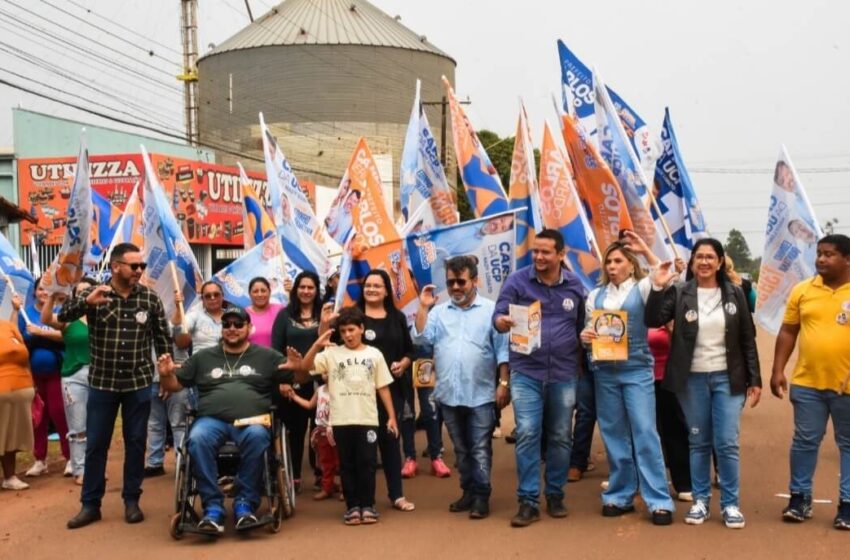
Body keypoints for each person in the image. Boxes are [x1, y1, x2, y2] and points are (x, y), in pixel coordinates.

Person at [156, 306, 313, 534]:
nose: (232, 329)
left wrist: (300, 369)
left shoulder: (266, 356)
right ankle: (213, 509)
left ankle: (245, 503)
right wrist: (164, 374)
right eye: (227, 324)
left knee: (259, 436)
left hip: (252, 420)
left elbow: (299, 377)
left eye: (238, 324)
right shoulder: (203, 357)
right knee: (197, 439)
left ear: (249, 327)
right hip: (211, 420)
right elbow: (173, 385)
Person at [647, 237, 761, 529]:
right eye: (699, 257)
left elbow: (747, 339)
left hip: (728, 378)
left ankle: (730, 504)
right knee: (698, 441)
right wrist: (658, 287)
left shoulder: (735, 293)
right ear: (693, 261)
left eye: (711, 257)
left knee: (726, 443)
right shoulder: (679, 291)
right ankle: (700, 502)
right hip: (692, 379)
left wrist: (755, 379)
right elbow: (653, 318)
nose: (705, 262)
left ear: (720, 262)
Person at [59, 243, 172, 529]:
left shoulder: (149, 298)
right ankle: (90, 505)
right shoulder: (96, 294)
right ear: (116, 266)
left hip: (138, 382)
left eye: (142, 267)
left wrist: (166, 368)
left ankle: (132, 500)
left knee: (136, 443)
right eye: (134, 266)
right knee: (97, 444)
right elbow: (62, 317)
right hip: (102, 383)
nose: (139, 271)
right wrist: (86, 302)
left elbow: (162, 338)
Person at [493, 229, 586, 527]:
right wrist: (503, 322)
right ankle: (528, 501)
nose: (539, 257)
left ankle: (556, 494)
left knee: (560, 436)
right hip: (526, 372)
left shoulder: (575, 286)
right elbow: (497, 316)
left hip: (564, 373)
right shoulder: (517, 281)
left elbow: (584, 326)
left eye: (546, 252)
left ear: (561, 254)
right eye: (535, 251)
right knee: (528, 433)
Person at [580, 236, 675, 526]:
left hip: (636, 370)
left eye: (618, 260)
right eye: (608, 261)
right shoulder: (594, 296)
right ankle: (620, 494)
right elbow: (588, 334)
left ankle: (658, 500)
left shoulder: (643, 289)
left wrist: (645, 248)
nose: (612, 265)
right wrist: (585, 339)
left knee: (645, 431)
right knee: (613, 433)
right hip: (605, 372)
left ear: (631, 265)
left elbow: (663, 270)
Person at [414, 255, 510, 520]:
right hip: (448, 394)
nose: (455, 287)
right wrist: (423, 307)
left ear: (475, 280)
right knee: (460, 449)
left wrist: (503, 384)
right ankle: (467, 491)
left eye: (461, 282)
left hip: (480, 394)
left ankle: (481, 496)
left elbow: (503, 351)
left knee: (479, 446)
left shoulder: (492, 310)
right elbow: (421, 338)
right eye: (450, 283)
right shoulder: (439, 312)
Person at [770, 233, 850, 530]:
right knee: (804, 441)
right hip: (808, 383)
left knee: (849, 444)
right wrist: (778, 369)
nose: (820, 259)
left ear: (847, 259)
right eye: (819, 253)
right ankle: (799, 498)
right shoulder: (803, 290)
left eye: (829, 254)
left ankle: (847, 505)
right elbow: (789, 331)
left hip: (847, 389)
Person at [300, 306, 399, 526]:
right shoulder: (331, 354)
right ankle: (352, 506)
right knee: (347, 464)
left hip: (368, 419)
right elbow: (305, 367)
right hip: (341, 420)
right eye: (343, 331)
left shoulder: (374, 354)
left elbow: (383, 387)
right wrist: (317, 344)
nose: (348, 335)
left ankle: (368, 505)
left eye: (352, 329)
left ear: (362, 329)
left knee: (367, 462)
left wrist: (391, 417)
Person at [356, 269, 415, 512]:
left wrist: (403, 363)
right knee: (363, 447)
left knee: (391, 442)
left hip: (393, 391)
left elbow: (410, 351)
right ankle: (361, 499)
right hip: (359, 392)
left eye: (377, 286)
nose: (371, 289)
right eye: (368, 285)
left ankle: (397, 495)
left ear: (386, 290)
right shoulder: (353, 317)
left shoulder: (397, 317)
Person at [40, 277, 96, 485]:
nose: (84, 294)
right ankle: (80, 469)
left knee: (97, 426)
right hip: (74, 376)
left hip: (100, 376)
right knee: (78, 424)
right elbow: (46, 319)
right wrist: (52, 297)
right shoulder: (69, 317)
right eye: (79, 292)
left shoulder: (102, 316)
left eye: (87, 290)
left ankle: (96, 468)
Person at [272, 271, 323, 493]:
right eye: (302, 287)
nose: (306, 291)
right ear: (296, 289)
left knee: (320, 429)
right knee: (296, 429)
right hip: (293, 382)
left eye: (310, 287)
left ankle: (322, 474)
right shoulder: (284, 316)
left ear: (316, 290)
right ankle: (294, 477)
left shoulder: (324, 314)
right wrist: (283, 381)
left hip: (321, 379)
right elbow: (276, 350)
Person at [19, 276, 69, 478]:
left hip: (57, 371)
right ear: (34, 292)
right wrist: (16, 312)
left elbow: (65, 337)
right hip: (34, 374)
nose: (43, 292)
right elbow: (20, 338)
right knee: (38, 417)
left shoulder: (59, 312)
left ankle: (70, 458)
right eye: (40, 289)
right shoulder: (26, 313)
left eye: (46, 289)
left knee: (60, 414)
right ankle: (39, 459)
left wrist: (40, 333)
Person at [649, 324, 692, 502]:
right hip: (636, 377)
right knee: (641, 431)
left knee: (673, 429)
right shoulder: (633, 302)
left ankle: (683, 483)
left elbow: (686, 342)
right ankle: (634, 480)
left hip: (669, 377)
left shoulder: (676, 303)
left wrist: (671, 327)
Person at [1, 296, 35, 491]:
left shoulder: (7, 326)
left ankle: (10, 476)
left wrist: (15, 310)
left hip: (20, 388)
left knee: (10, 435)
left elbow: (22, 351)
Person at [246, 277, 284, 348]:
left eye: (263, 291)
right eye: (255, 291)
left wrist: (291, 292)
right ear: (249, 294)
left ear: (269, 292)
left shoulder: (280, 310)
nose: (260, 294)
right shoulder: (243, 315)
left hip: (278, 357)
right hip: (252, 358)